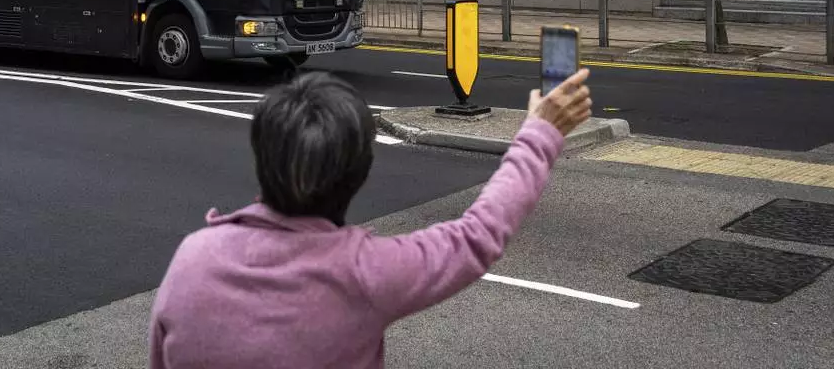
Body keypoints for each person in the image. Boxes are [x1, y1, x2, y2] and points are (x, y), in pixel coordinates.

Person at [149, 68, 593, 369]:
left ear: (261, 156)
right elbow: (477, 234)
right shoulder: (363, 273)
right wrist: (541, 133)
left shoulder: (193, 259)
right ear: (360, 172)